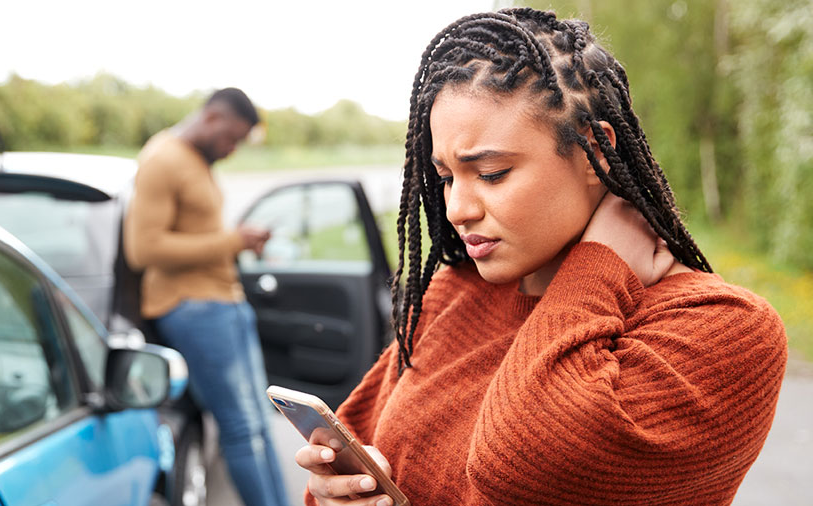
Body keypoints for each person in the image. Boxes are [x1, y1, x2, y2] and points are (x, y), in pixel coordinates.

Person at [296, 8, 788, 506]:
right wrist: (338, 495)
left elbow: (522, 466)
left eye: (490, 173)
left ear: (594, 151)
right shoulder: (455, 290)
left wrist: (599, 266)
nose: (456, 210)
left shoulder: (726, 330)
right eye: (445, 177)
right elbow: (356, 448)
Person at [123, 88, 290, 506]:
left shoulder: (196, 160)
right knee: (241, 428)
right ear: (213, 118)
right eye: (230, 138)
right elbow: (142, 249)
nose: (231, 150)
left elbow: (199, 234)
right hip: (194, 308)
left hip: (223, 304)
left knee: (259, 423)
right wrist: (232, 241)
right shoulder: (163, 158)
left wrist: (236, 242)